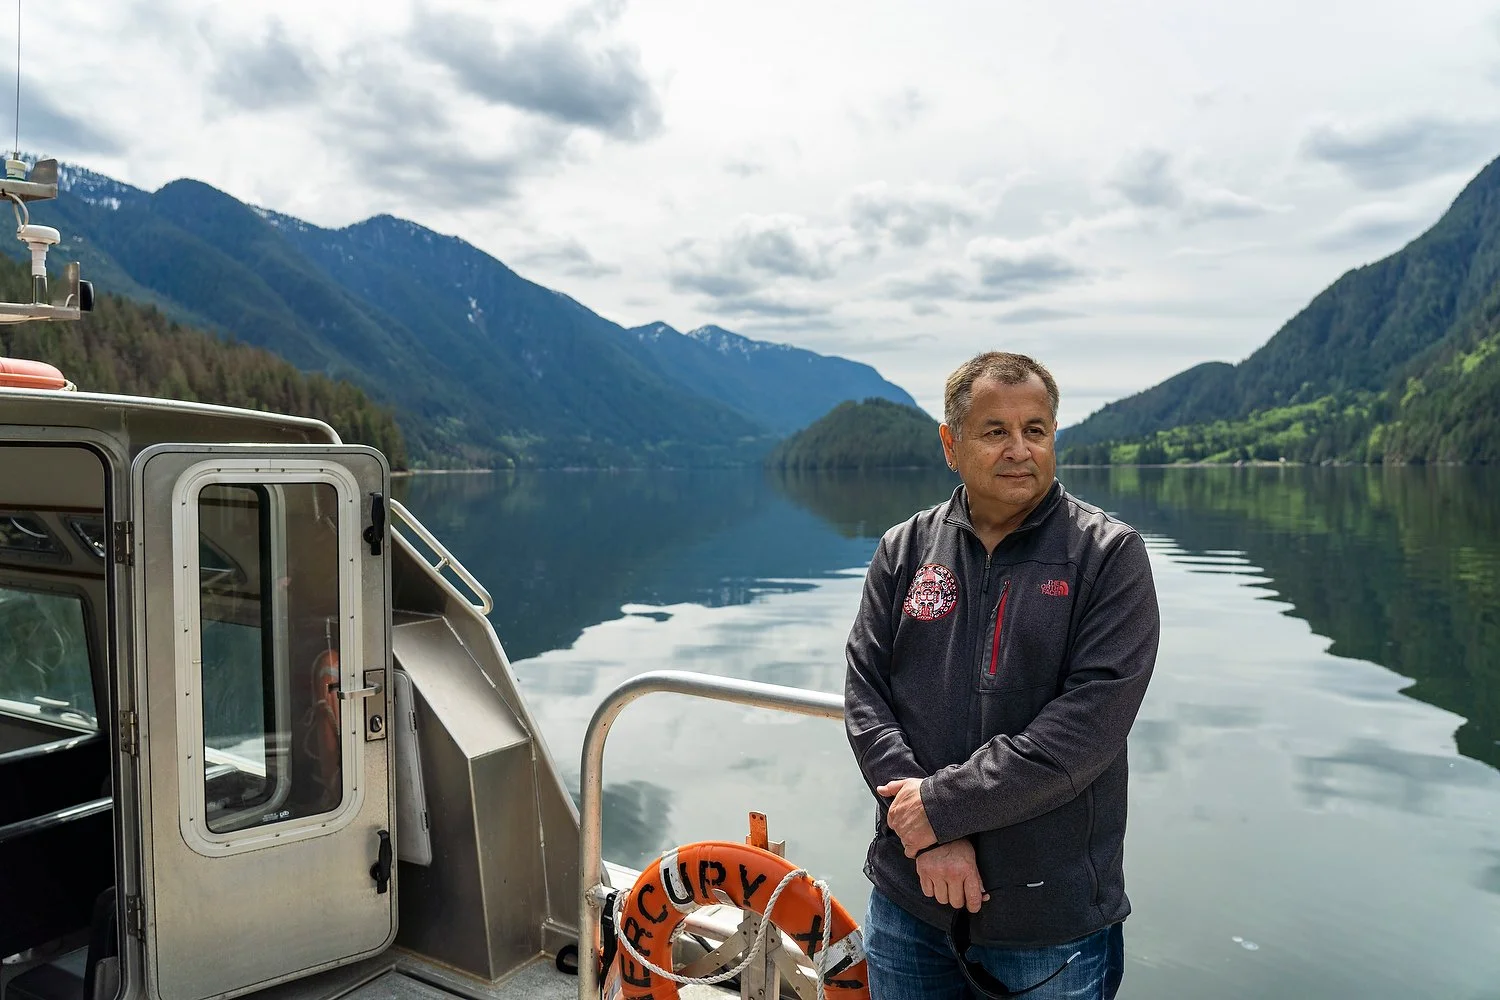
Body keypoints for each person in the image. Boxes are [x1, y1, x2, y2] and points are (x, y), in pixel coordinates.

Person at [844, 352, 1159, 999]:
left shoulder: (1108, 556)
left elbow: (1084, 732)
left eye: (1035, 430)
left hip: (1047, 925)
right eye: (995, 431)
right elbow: (866, 693)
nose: (1019, 450)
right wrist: (926, 837)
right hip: (909, 899)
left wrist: (941, 809)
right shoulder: (904, 548)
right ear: (950, 444)